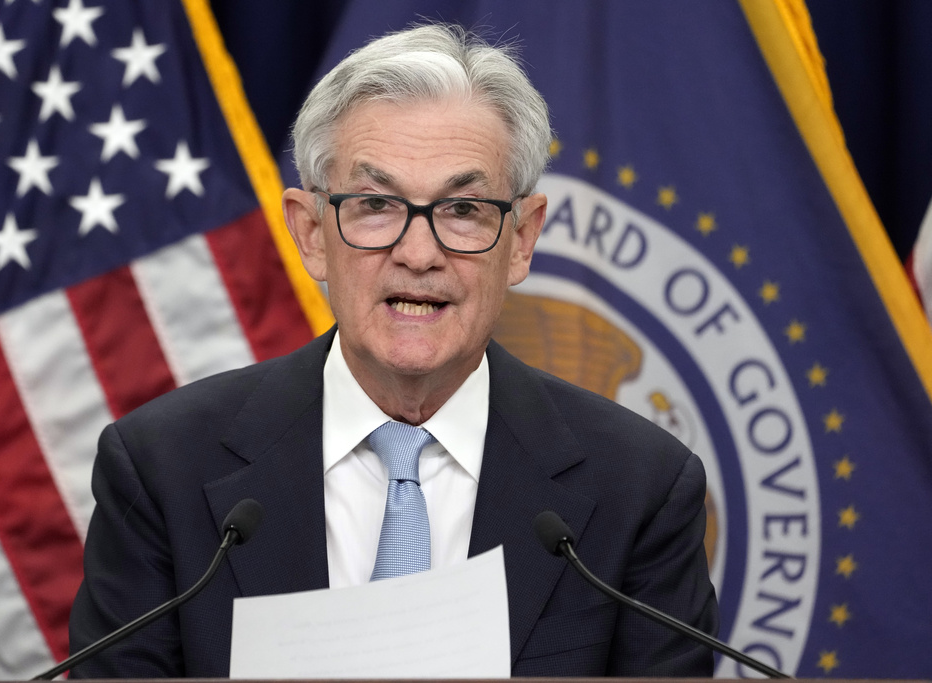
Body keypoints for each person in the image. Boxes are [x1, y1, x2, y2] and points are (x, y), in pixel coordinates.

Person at [69, 22, 718, 677]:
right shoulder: (162, 469)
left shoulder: (639, 488)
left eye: (463, 209)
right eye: (376, 204)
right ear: (312, 232)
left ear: (521, 238)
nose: (418, 253)